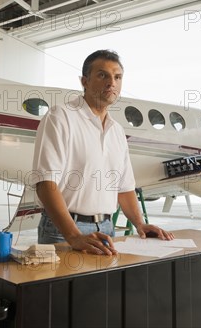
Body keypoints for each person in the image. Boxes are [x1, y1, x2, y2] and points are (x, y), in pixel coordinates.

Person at [30, 49, 174, 255]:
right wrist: (74, 236)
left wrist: (140, 224)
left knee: (100, 288)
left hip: (107, 229)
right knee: (65, 288)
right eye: (102, 75)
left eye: (117, 77)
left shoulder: (116, 131)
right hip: (63, 230)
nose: (111, 83)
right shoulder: (61, 117)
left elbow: (124, 188)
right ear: (84, 81)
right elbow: (45, 183)